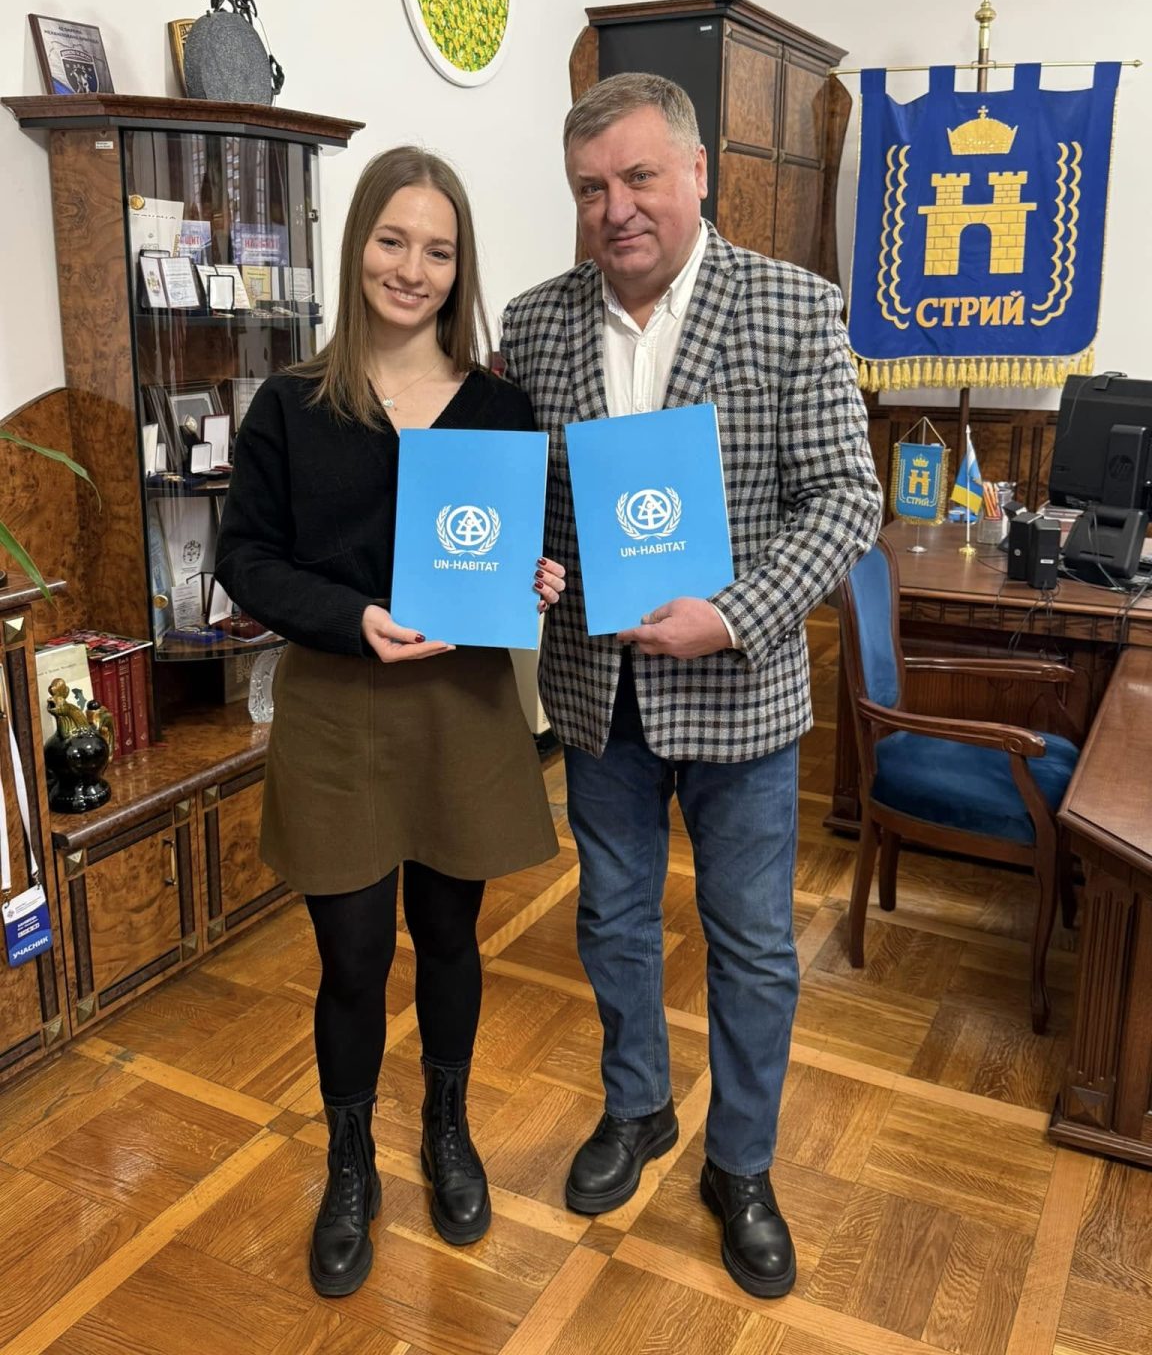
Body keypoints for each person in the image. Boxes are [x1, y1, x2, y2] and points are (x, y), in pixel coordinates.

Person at [500, 73, 881, 1299]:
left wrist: (732, 614)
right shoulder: (535, 323)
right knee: (610, 923)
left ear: (698, 172)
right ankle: (639, 1109)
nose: (614, 209)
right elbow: (526, 504)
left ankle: (742, 1165)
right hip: (597, 699)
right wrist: (525, 562)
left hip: (740, 695)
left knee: (753, 946)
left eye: (638, 177)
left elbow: (847, 501)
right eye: (589, 189)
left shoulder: (793, 307)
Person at [215, 146, 565, 1298]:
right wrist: (353, 617)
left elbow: (515, 549)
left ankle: (448, 1130)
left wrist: (537, 576)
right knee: (354, 958)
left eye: (439, 250)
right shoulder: (292, 405)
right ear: (357, 242)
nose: (412, 269)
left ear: (462, 268)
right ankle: (350, 1160)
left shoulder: (501, 407)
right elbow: (246, 561)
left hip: (461, 710)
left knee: (451, 939)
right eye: (393, 240)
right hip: (338, 709)